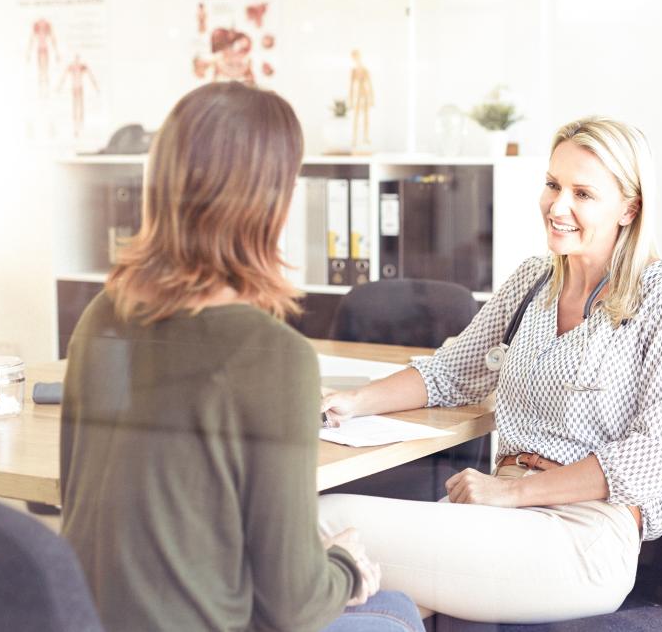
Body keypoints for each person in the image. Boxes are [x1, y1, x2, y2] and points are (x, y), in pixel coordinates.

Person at [60, 81, 423, 632]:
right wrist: (346, 568)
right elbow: (292, 606)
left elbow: (90, 499)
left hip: (89, 619)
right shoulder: (271, 356)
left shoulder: (103, 317)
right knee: (395, 611)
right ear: (268, 200)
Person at [318, 117, 662, 624]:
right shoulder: (533, 281)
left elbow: (649, 461)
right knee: (356, 600)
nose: (557, 206)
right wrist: (349, 402)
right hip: (502, 516)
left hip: (584, 537)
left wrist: (512, 491)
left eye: (583, 194)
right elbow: (450, 373)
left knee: (326, 523)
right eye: (553, 185)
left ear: (629, 208)